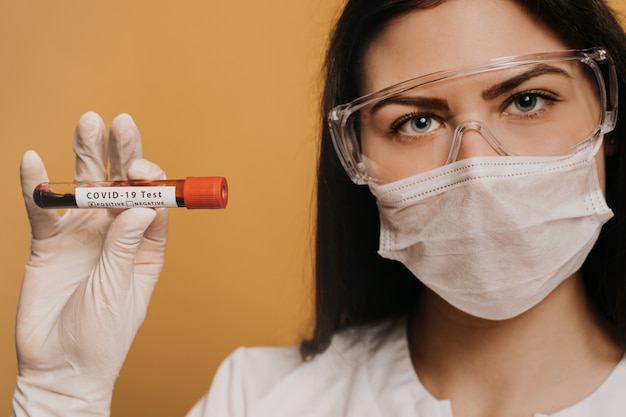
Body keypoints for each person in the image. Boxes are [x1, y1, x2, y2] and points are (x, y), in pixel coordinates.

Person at [11, 0, 626, 416]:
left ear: (607, 112)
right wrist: (61, 394)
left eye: (526, 100)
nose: (477, 168)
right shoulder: (261, 399)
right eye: (415, 120)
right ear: (355, 159)